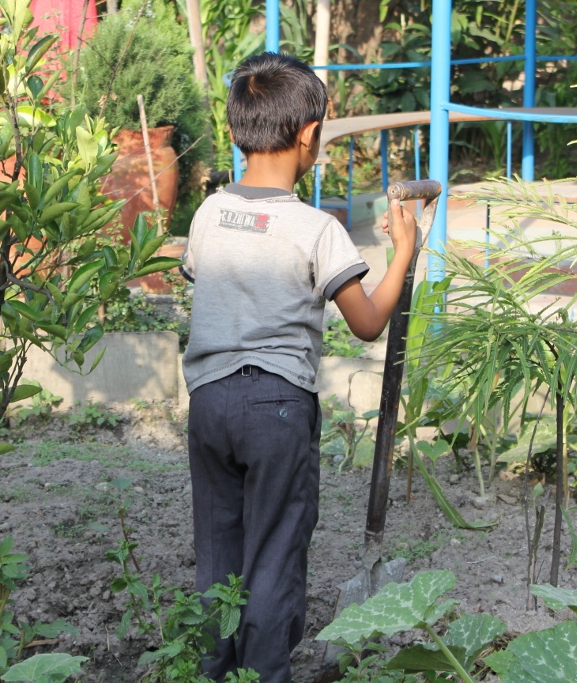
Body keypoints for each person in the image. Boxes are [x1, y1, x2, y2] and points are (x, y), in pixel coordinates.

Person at [180, 51, 418, 682]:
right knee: (275, 550)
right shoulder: (318, 228)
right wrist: (402, 254)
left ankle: (213, 670)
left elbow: (205, 278)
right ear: (310, 136)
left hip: (207, 402)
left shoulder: (207, 214)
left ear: (239, 129)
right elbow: (367, 322)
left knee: (218, 551)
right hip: (276, 407)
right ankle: (265, 675)